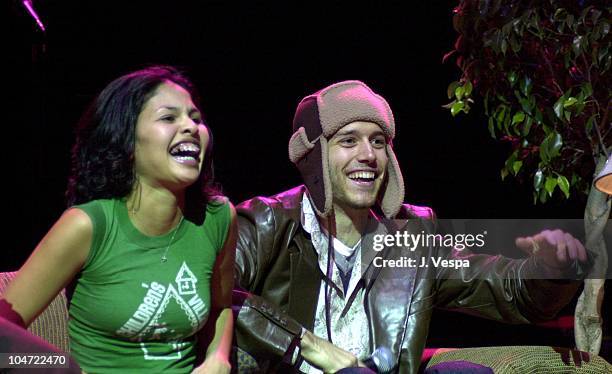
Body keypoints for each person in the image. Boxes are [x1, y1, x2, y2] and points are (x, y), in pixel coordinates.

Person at [232, 80, 588, 373]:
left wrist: (550, 270)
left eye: (378, 141)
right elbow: (214, 295)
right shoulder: (268, 222)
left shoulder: (413, 237)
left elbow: (506, 291)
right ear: (314, 156)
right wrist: (303, 344)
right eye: (348, 140)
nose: (368, 156)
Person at [0, 66, 236, 373]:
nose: (190, 127)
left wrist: (217, 357)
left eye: (195, 118)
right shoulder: (87, 225)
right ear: (127, 143)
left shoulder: (217, 218)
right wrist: (64, 368)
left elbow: (221, 308)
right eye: (168, 117)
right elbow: (3, 333)